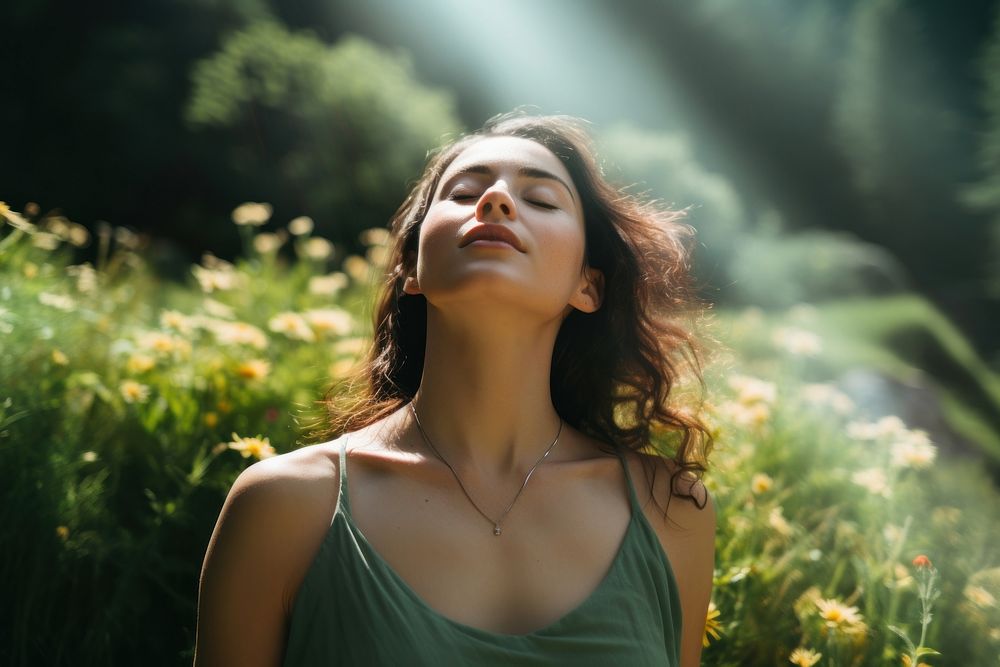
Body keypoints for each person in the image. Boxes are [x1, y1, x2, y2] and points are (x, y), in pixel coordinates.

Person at [194, 111, 717, 666]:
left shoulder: (671, 512)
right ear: (411, 271)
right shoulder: (287, 506)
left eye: (540, 200)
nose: (495, 201)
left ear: (587, 286)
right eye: (464, 192)